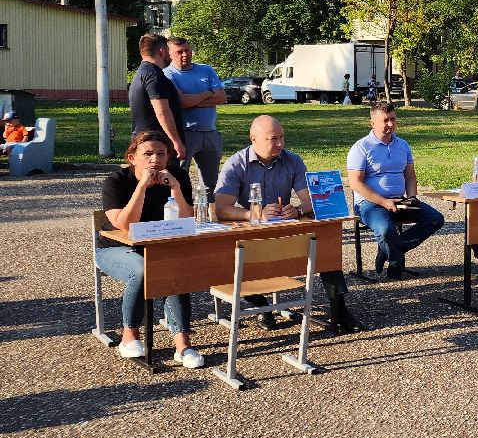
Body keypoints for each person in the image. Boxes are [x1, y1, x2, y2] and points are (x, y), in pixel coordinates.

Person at [213, 115, 364, 333]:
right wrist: (254, 214)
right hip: (250, 233)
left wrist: (299, 210)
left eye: (282, 137)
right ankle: (260, 305)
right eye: (273, 139)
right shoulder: (236, 164)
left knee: (326, 250)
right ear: (253, 139)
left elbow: (309, 200)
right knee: (225, 257)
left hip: (283, 230)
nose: (280, 144)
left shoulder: (292, 160)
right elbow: (221, 208)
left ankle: (339, 310)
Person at [97, 131, 202, 367]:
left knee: (173, 270)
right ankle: (129, 336)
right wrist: (142, 186)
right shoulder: (117, 181)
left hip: (158, 246)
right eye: (148, 154)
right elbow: (124, 224)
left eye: (161, 153)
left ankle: (183, 345)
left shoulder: (177, 176)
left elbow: (187, 219)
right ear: (132, 158)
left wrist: (175, 188)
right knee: (142, 271)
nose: (155, 159)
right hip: (115, 247)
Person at [346, 102, 445, 279]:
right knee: (385, 230)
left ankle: (391, 250)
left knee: (435, 219)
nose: (391, 124)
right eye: (385, 120)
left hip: (400, 201)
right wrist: (383, 202)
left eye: (393, 119)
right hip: (370, 204)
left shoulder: (403, 145)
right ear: (372, 123)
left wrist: (412, 197)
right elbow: (356, 184)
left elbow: (410, 175)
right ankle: (394, 260)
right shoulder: (361, 147)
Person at [163, 36, 227, 195]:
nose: (184, 54)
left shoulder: (206, 70)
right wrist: (207, 93)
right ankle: (181, 214)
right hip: (185, 133)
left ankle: (209, 215)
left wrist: (193, 100)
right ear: (170, 54)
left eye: (187, 50)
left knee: (211, 182)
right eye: (179, 52)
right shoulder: (167, 74)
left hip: (210, 132)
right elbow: (182, 102)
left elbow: (222, 97)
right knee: (178, 178)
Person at [128, 33, 186, 167]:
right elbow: (162, 111)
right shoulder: (154, 76)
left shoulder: (141, 74)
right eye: (168, 50)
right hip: (157, 144)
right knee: (163, 184)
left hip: (144, 141)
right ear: (162, 51)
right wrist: (176, 142)